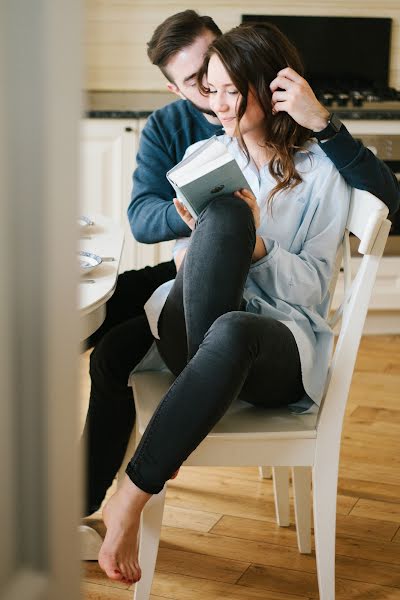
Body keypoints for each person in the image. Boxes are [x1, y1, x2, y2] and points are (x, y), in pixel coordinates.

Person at [82, 10, 400, 519]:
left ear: (269, 87)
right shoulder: (201, 157)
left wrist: (259, 251)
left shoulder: (322, 173)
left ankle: (140, 482)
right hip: (197, 323)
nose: (220, 105)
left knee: (228, 320)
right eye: (210, 89)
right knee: (129, 328)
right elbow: (160, 235)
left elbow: (312, 288)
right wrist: (193, 248)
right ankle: (183, 407)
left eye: (231, 89)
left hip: (278, 341)